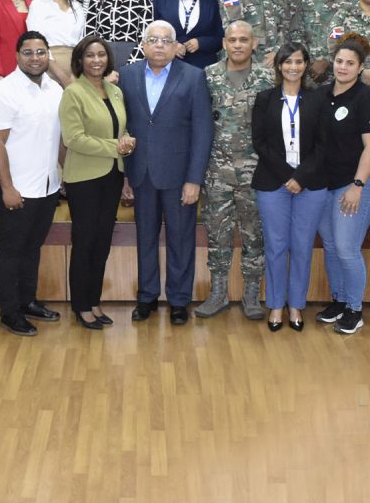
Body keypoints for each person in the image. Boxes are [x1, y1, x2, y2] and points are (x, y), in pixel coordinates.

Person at [118, 21, 214, 326]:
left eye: (166, 40)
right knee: (145, 237)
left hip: (179, 176)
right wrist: (125, 175)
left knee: (181, 239)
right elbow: (120, 126)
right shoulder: (127, 75)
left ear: (175, 47)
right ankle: (146, 297)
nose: (159, 45)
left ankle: (179, 300)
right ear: (143, 45)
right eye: (153, 39)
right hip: (141, 174)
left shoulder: (194, 77)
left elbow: (202, 131)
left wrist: (194, 179)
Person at [0, 31, 64, 336]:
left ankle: (28, 301)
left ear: (48, 55)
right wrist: (7, 187)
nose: (35, 58)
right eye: (28, 53)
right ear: (17, 56)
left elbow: (58, 138)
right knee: (11, 250)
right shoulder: (3, 93)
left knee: (32, 247)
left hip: (47, 186)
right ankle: (9, 311)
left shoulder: (54, 90)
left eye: (41, 52)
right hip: (14, 188)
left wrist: (63, 177)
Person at [197, 20, 275, 320]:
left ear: (254, 43)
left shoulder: (268, 77)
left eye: (244, 39)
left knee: (254, 235)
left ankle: (251, 296)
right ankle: (217, 294)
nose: (238, 45)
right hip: (217, 171)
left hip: (256, 171)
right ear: (224, 43)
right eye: (233, 40)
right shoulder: (209, 76)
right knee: (217, 235)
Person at [251, 42, 328, 332]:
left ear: (306, 65)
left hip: (311, 184)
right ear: (279, 65)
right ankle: (275, 305)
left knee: (302, 246)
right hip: (273, 182)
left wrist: (301, 177)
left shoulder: (318, 99)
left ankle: (296, 304)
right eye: (287, 62)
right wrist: (288, 176)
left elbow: (323, 144)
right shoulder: (265, 99)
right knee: (276, 246)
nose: (293, 67)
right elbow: (260, 143)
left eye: (298, 61)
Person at [59, 36, 135, 329]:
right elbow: (74, 139)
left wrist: (125, 142)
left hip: (112, 176)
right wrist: (116, 147)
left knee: (102, 243)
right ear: (80, 60)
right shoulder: (73, 92)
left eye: (101, 55)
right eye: (89, 55)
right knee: (85, 243)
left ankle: (94, 301)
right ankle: (81, 305)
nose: (96, 60)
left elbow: (120, 127)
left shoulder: (115, 91)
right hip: (84, 179)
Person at [314, 34, 370, 334]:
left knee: (346, 247)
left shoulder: (367, 100)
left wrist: (357, 185)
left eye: (350, 63)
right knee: (331, 245)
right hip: (325, 183)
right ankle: (340, 300)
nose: (343, 67)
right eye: (339, 61)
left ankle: (355, 308)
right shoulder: (320, 94)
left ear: (361, 67)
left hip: (356, 182)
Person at [302, 0, 357, 84]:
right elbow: (296, 32)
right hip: (307, 74)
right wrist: (308, 62)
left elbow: (355, 37)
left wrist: (328, 61)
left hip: (340, 75)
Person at [28, 0, 86, 86]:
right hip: (46, 68)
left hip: (76, 70)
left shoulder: (77, 6)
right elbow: (36, 43)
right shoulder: (38, 5)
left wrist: (74, 74)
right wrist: (63, 77)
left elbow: (82, 42)